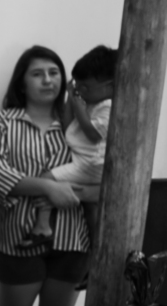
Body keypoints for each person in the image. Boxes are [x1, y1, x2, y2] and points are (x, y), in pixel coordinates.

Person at [0, 46, 89, 306]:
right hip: (20, 237)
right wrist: (48, 187)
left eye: (54, 73)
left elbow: (95, 169)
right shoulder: (2, 122)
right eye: (37, 74)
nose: (47, 80)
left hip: (71, 239)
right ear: (22, 83)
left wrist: (68, 190)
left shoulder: (76, 126)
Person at [27, 44, 115, 246]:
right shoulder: (90, 102)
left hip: (91, 163)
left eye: (86, 87)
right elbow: (68, 128)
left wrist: (78, 108)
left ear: (109, 86)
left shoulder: (107, 106)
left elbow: (93, 135)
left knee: (47, 179)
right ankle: (95, 244)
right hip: (85, 161)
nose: (81, 91)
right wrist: (70, 100)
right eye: (78, 85)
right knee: (90, 209)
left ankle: (42, 226)